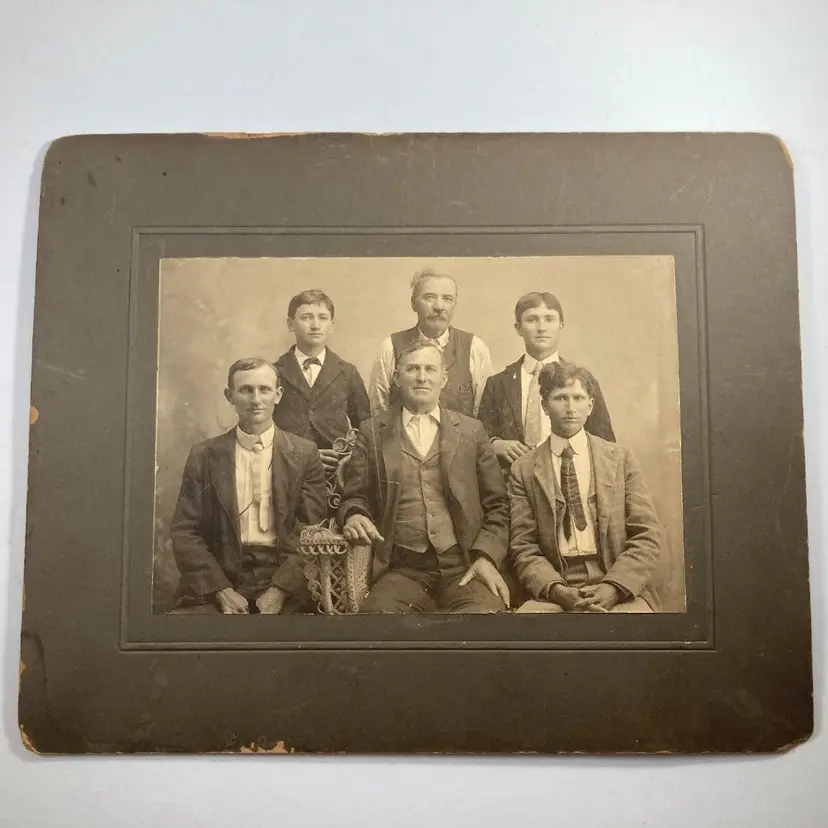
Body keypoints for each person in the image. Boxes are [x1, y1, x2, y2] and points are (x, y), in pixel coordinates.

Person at [338, 340, 510, 613]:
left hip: (463, 565)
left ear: (443, 378)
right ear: (397, 377)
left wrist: (486, 558)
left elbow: (498, 506)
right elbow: (353, 497)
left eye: (430, 369)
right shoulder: (372, 432)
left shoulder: (470, 431)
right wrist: (355, 514)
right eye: (412, 369)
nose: (421, 377)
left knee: (483, 622)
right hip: (404, 570)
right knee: (377, 622)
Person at [170, 358, 327, 614]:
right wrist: (221, 590)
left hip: (283, 576)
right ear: (229, 396)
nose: (256, 399)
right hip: (220, 575)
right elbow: (185, 532)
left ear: (278, 395)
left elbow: (310, 531)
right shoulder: (204, 455)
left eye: (264, 390)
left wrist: (280, 590)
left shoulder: (304, 454)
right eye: (246, 390)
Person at [508, 361, 661, 613]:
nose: (570, 408)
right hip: (556, 586)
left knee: (635, 633)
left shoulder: (620, 459)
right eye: (560, 398)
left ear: (590, 406)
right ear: (545, 405)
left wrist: (614, 586)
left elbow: (646, 534)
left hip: (616, 581)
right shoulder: (524, 469)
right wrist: (555, 589)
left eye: (578, 398)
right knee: (528, 631)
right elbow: (523, 545)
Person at [479, 292, 615, 470]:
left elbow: (605, 443)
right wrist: (495, 444)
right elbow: (479, 438)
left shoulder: (582, 381)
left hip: (569, 478)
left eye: (549, 319)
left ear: (561, 325)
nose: (541, 328)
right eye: (532, 320)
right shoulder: (498, 384)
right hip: (513, 484)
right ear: (518, 328)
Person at [368, 268, 493, 417]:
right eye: (429, 297)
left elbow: (484, 415)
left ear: (454, 304)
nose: (439, 307)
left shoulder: (474, 348)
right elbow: (378, 413)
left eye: (447, 298)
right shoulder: (390, 347)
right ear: (413, 303)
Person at [273, 289, 370, 476]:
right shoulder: (275, 372)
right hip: (288, 468)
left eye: (323, 318)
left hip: (336, 469)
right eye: (306, 317)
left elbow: (365, 427)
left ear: (331, 325)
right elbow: (263, 428)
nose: (315, 325)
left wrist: (348, 459)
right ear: (290, 324)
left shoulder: (347, 372)